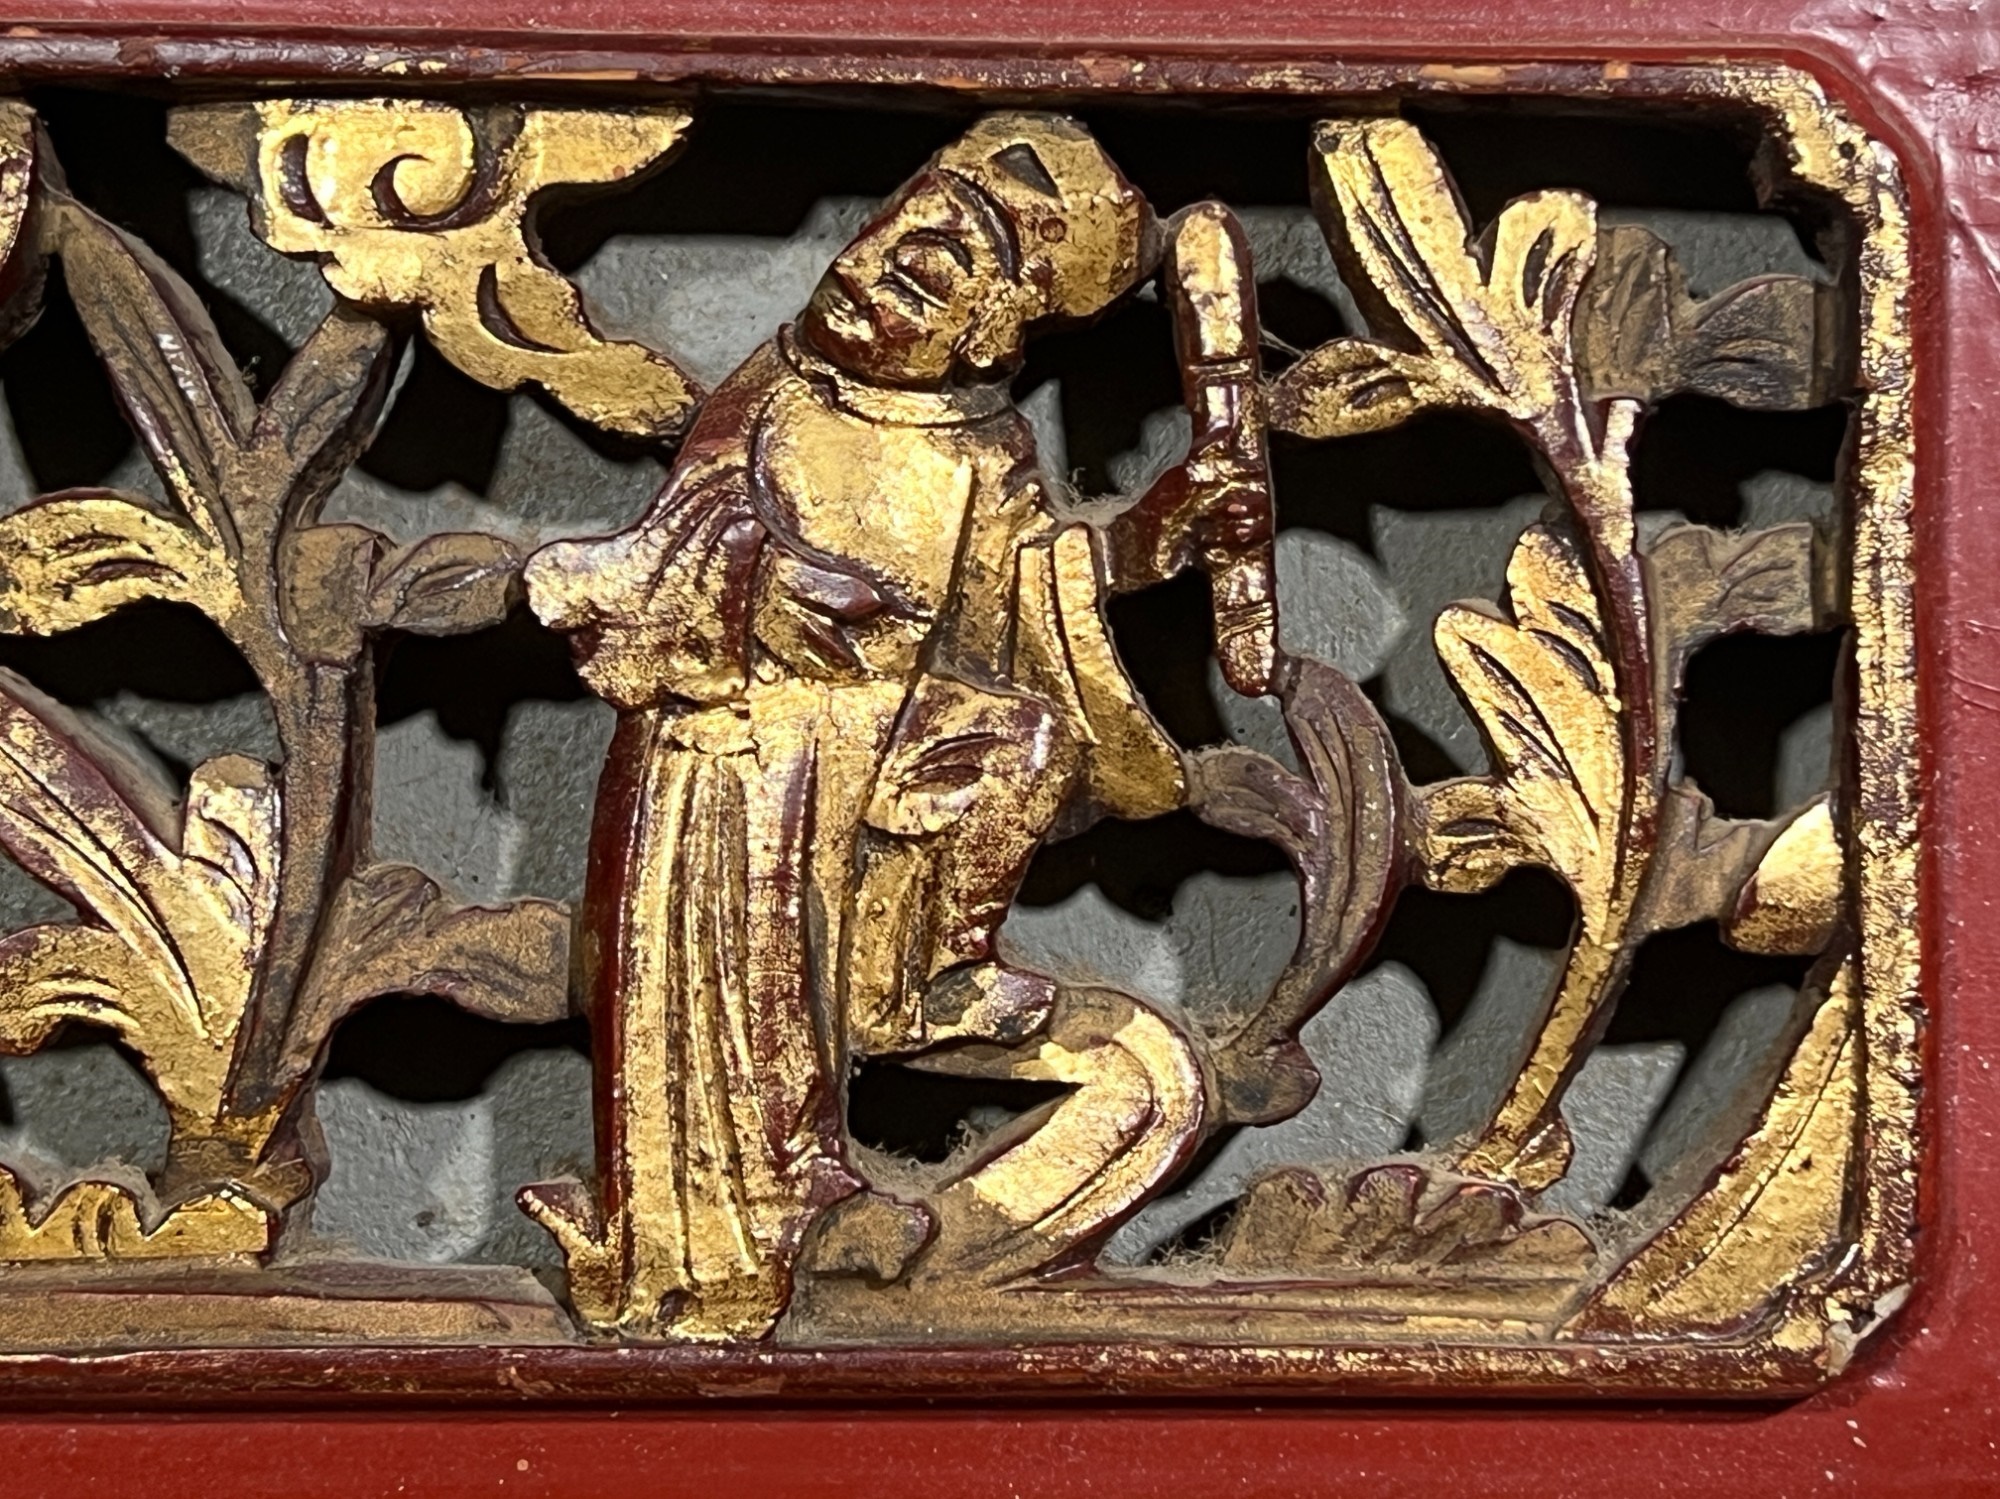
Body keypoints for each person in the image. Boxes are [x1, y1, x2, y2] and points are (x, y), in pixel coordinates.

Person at [520, 113, 1274, 1340]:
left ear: (991, 333)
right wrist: (762, 584)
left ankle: (925, 969)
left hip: (883, 743)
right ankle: (721, 1247)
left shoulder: (985, 442)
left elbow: (1018, 588)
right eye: (877, 251)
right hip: (743, 754)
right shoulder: (779, 393)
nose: (876, 287)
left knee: (1020, 743)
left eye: (929, 286)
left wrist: (1151, 535)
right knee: (741, 1004)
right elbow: (672, 542)